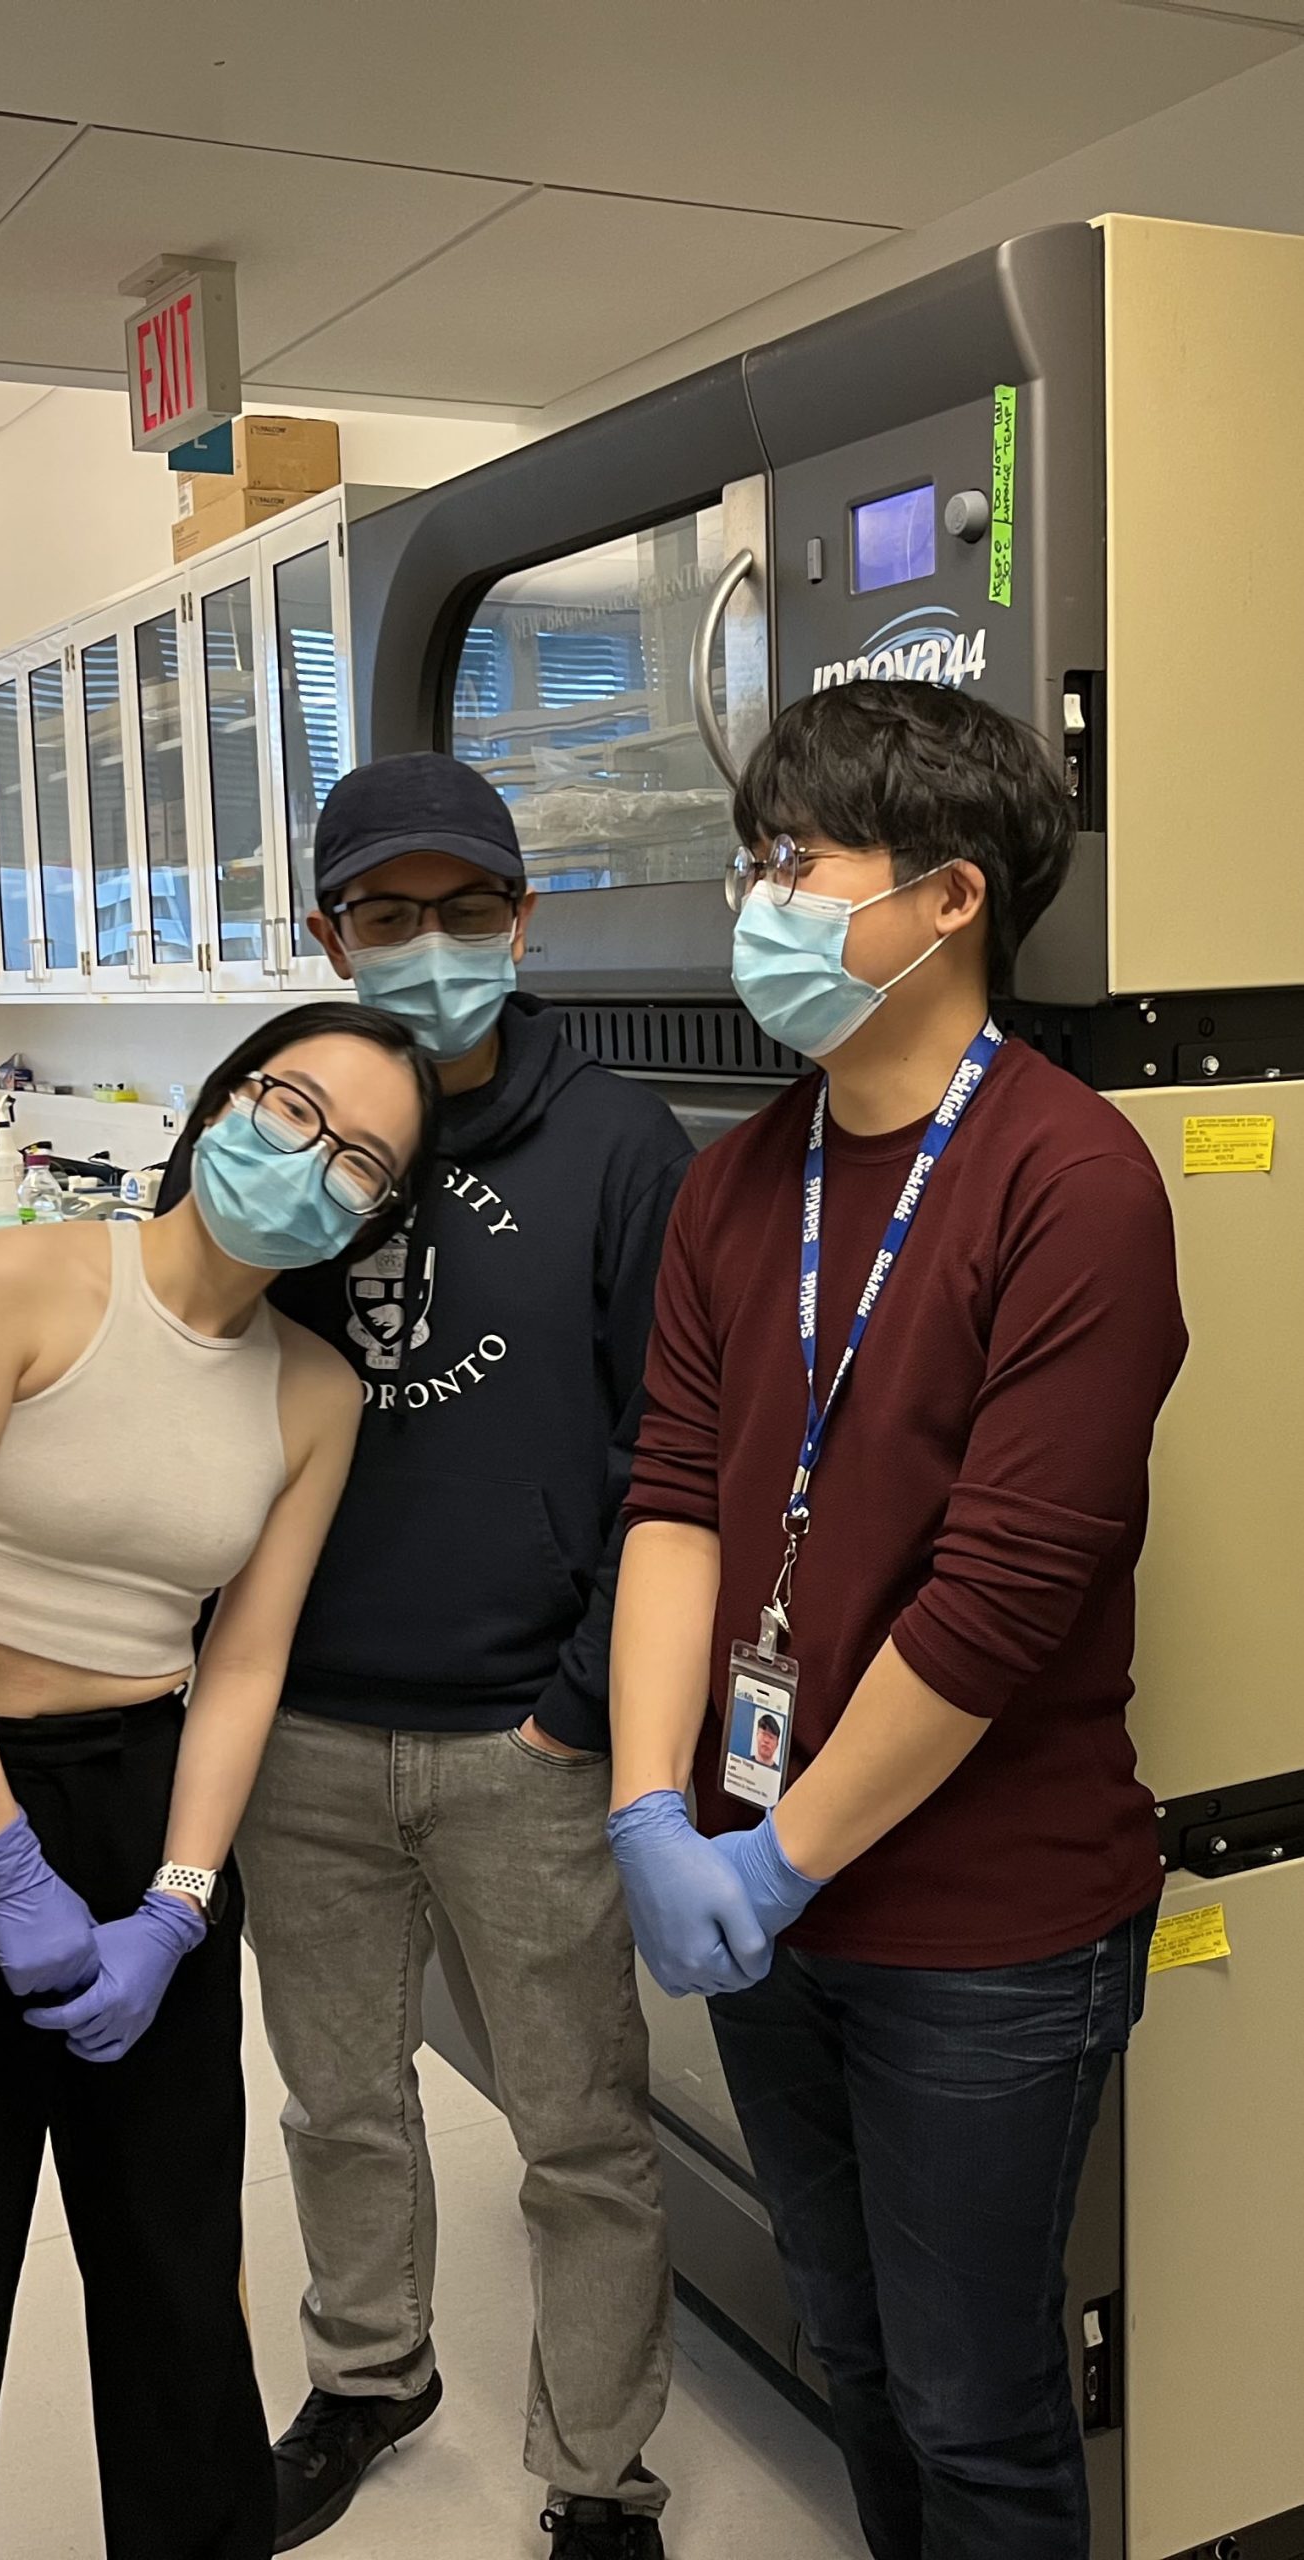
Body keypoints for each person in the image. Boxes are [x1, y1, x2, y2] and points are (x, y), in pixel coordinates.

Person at [607, 680, 1186, 2560]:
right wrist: (647, 1808)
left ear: (945, 900)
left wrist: (781, 1856)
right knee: (845, 2347)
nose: (752, 901)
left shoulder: (1069, 1179)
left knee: (973, 2403)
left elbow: (1004, 1594)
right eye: (749, 861)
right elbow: (675, 1507)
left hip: (979, 1928)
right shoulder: (734, 1178)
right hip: (758, 1886)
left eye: (794, 864)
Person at [0, 1003, 437, 2560]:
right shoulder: (23, 1282)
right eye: (292, 1109)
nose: (308, 1161)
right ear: (227, 1101)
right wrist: (6, 1871)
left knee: (173, 2272)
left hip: (153, 1803)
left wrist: (175, 1901)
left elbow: (240, 1661)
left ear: (375, 1215)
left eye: (359, 1160)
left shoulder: (314, 1394)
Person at [208, 754, 692, 2559]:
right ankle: (367, 2373)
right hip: (302, 1724)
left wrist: (582, 1709)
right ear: (323, 933)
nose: (428, 946)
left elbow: (674, 1447)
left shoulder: (615, 1142)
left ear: (521, 919)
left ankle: (597, 2474)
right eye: (385, 917)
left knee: (578, 2134)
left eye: (463, 910)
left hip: (526, 1738)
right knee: (339, 2099)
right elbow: (195, 1367)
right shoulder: (279, 1130)